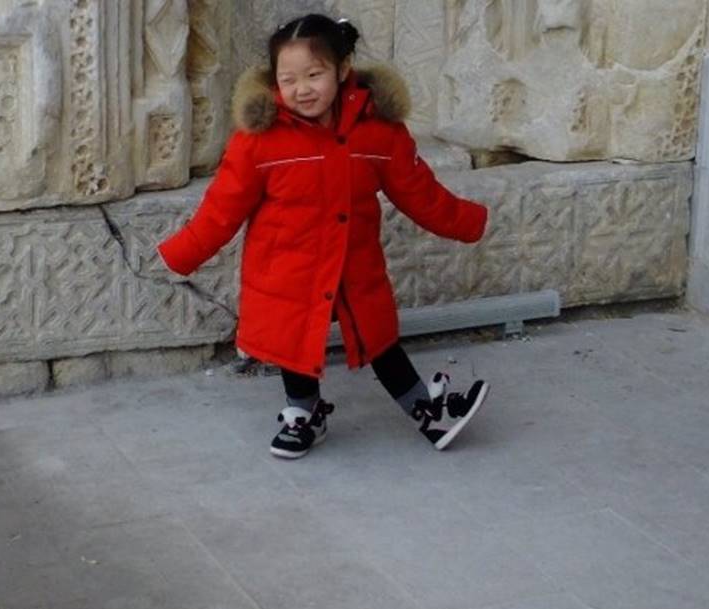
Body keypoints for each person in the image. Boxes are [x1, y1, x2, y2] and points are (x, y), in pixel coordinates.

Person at [158, 14, 490, 459]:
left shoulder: (378, 131)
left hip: (355, 266)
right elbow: (221, 209)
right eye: (289, 78)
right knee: (292, 341)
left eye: (314, 75)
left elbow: (420, 192)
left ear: (343, 68)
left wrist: (470, 221)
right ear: (274, 80)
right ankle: (304, 413)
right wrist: (181, 254)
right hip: (286, 269)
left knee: (380, 340)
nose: (302, 89)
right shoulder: (259, 140)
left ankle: (426, 411)